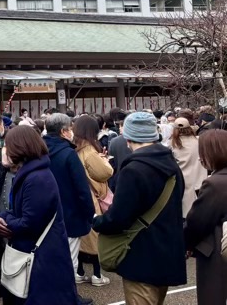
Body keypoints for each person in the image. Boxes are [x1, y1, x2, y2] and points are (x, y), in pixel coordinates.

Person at [93, 112, 187, 304]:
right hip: (167, 251)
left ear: (128, 138)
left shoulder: (133, 170)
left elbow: (118, 218)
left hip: (141, 254)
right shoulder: (171, 165)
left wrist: (97, 220)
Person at [0, 126, 79, 304]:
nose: (6, 150)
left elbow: (29, 223)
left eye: (8, 146)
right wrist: (2, 216)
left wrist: (5, 220)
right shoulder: (32, 173)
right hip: (41, 257)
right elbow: (21, 212)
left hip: (42, 261)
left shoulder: (36, 178)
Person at [43, 113, 95, 304]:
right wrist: (89, 214)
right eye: (70, 129)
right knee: (70, 260)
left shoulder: (38, 151)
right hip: (70, 215)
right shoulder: (68, 154)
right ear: (64, 131)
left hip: (46, 215)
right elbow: (82, 189)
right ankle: (69, 297)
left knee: (51, 259)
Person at [184, 129, 227, 305]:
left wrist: (185, 243)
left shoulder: (215, 183)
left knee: (213, 297)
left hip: (217, 251)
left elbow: (197, 222)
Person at [73, 116, 113, 288]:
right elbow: (105, 173)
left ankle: (80, 272)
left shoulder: (74, 149)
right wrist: (105, 161)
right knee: (95, 235)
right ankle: (97, 274)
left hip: (77, 198)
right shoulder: (89, 151)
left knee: (82, 237)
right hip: (92, 198)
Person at [170, 118, 207, 218]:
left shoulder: (172, 145)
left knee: (186, 215)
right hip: (201, 182)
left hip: (183, 183)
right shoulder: (199, 141)